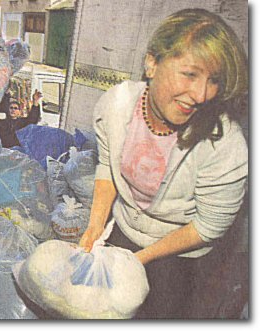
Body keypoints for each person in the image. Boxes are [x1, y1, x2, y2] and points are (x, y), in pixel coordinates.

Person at [78, 8, 248, 319]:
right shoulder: (116, 106)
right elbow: (107, 167)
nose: (201, 94)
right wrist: (95, 224)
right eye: (190, 74)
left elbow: (209, 226)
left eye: (214, 81)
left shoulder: (225, 145)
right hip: (123, 229)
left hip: (180, 258)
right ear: (152, 63)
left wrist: (139, 260)